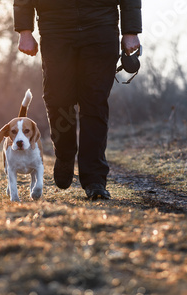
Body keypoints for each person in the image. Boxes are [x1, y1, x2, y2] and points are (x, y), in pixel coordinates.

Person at [13, 0, 142, 200]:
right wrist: (24, 30)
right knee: (57, 100)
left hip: (101, 25)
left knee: (95, 103)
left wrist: (131, 30)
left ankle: (95, 179)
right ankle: (64, 153)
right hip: (56, 27)